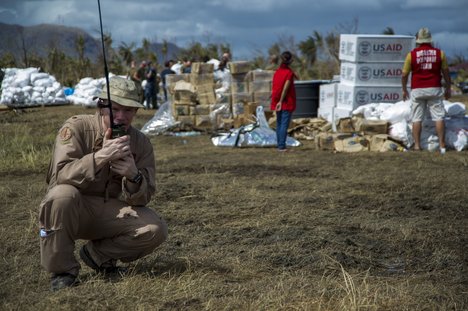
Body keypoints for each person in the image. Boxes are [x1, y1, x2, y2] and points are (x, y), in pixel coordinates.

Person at [39, 76, 168, 291]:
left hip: (107, 211)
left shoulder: (140, 143)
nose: (121, 117)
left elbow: (143, 199)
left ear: (136, 112)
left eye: (128, 110)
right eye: (115, 109)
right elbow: (60, 176)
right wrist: (101, 157)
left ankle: (97, 256)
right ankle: (62, 271)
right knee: (62, 195)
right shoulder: (78, 128)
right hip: (71, 209)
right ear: (101, 107)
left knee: (156, 228)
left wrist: (134, 176)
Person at [402, 27, 451, 154]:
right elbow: (446, 73)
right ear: (430, 40)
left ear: (418, 40)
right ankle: (442, 146)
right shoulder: (440, 54)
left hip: (417, 89)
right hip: (434, 88)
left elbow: (404, 74)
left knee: (416, 118)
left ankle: (417, 146)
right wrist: (448, 88)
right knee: (439, 117)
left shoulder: (411, 55)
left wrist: (403, 89)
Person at [270, 51, 298, 152]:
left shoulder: (277, 72)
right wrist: (281, 101)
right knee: (284, 124)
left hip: (277, 100)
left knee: (279, 123)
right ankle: (281, 146)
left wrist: (277, 101)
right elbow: (286, 88)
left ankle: (279, 144)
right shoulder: (288, 73)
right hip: (285, 101)